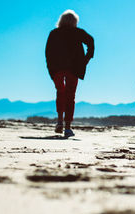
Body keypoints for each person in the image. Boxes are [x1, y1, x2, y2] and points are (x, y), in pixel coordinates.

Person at [45, 10, 94, 138]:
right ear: (74, 21)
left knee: (60, 93)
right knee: (70, 96)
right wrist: (86, 59)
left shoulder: (54, 33)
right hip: (73, 69)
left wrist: (51, 69)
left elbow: (48, 52)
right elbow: (91, 41)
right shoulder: (77, 32)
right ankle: (67, 127)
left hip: (57, 69)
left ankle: (60, 121)